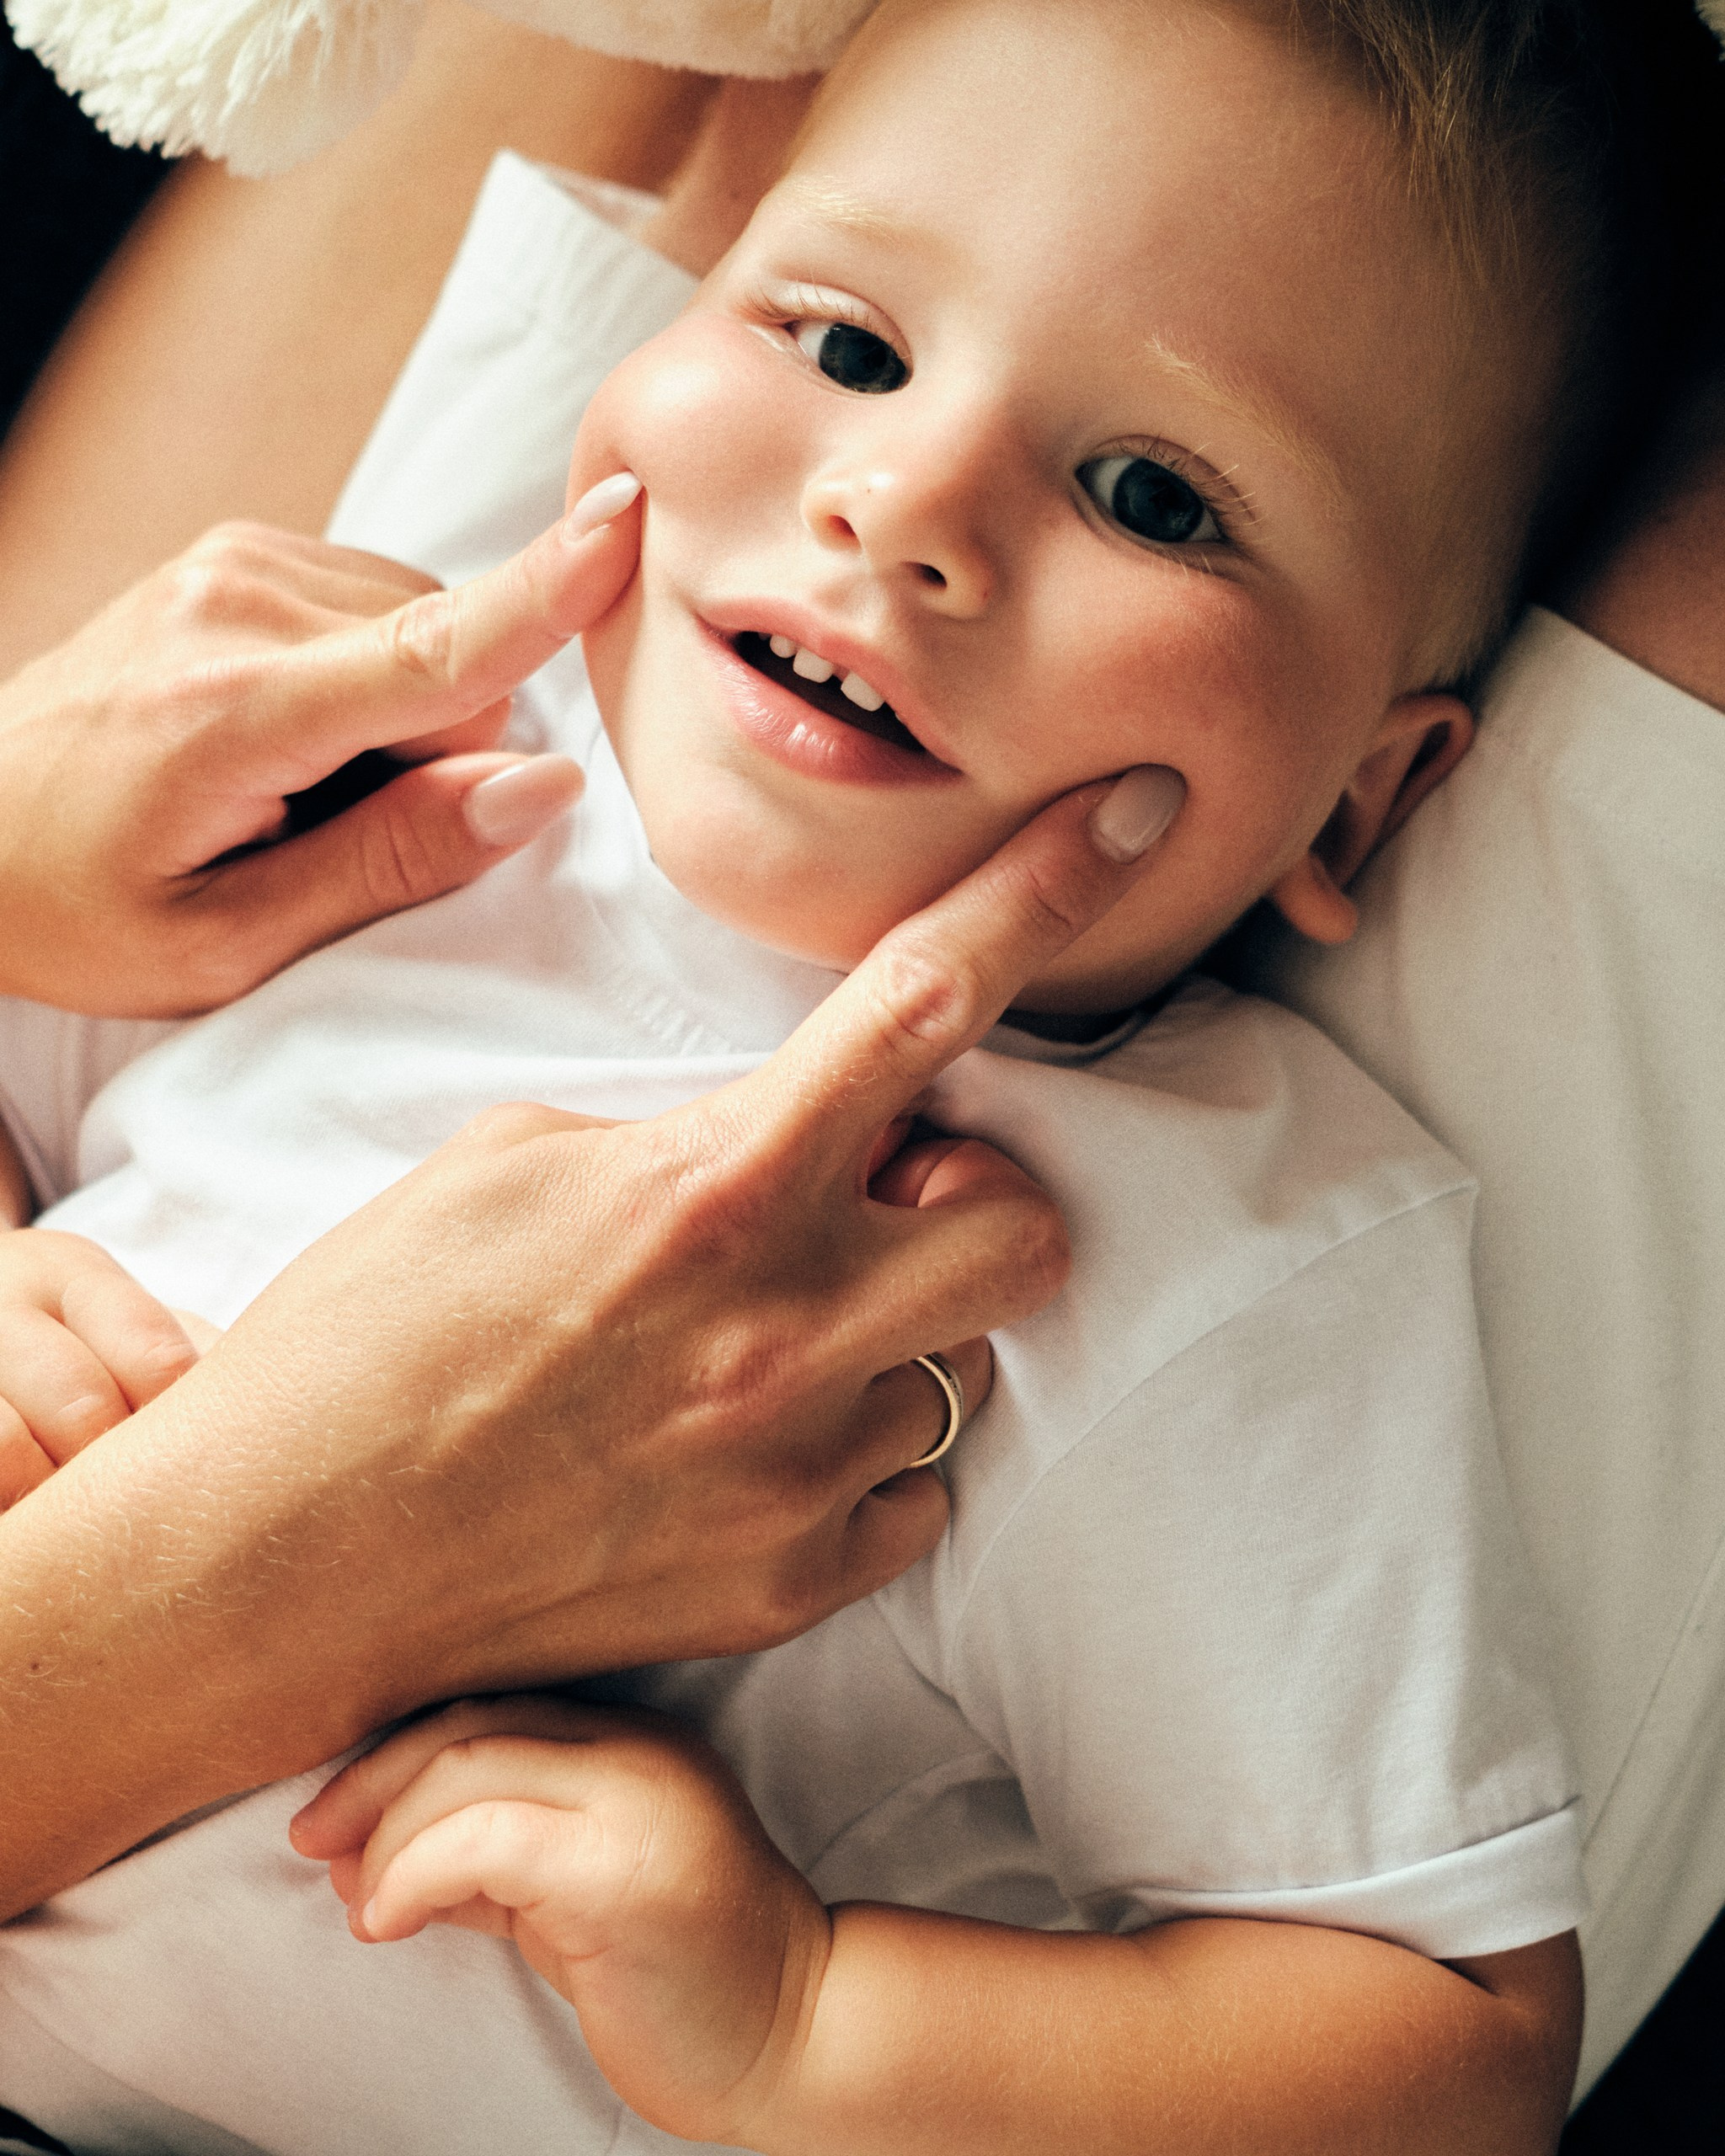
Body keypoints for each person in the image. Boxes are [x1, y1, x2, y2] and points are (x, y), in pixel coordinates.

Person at [11, 0, 1696, 2143]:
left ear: (1359, 803)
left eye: (1152, 496)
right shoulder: (356, 790)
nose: (902, 504)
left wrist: (803, 2019)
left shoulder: (1183, 1254)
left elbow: (1441, 2054)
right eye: (841, 343)